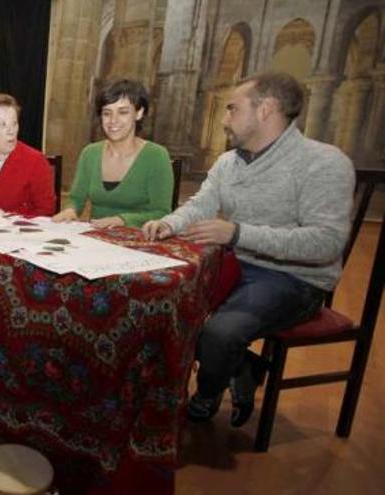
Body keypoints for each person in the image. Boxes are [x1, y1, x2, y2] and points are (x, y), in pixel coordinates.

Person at [142, 72, 355, 427]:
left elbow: (325, 243)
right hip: (237, 267)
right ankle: (243, 365)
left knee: (220, 332)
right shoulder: (229, 162)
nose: (224, 119)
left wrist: (238, 233)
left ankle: (207, 395)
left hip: (295, 279)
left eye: (232, 109)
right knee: (162, 307)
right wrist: (169, 224)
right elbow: (201, 204)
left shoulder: (325, 163)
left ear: (266, 110)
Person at [53, 79, 172, 227]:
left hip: (139, 240)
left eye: (123, 112)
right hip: (95, 238)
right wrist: (70, 210)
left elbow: (161, 212)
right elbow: (76, 199)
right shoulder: (90, 153)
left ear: (139, 113)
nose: (113, 120)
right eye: (107, 113)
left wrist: (121, 220)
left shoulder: (156, 156)